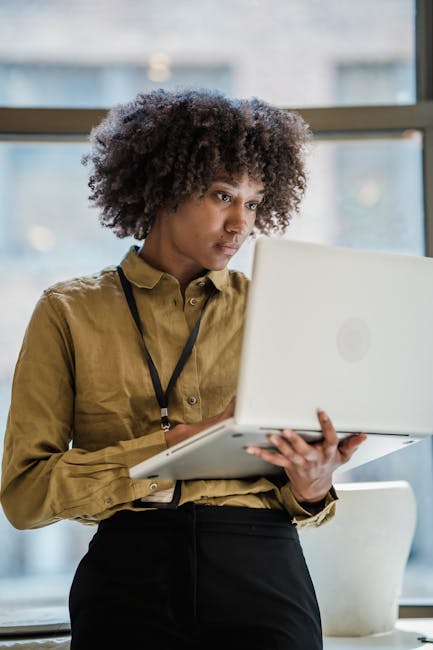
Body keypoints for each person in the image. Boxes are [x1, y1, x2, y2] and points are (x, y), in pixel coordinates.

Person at [1, 88, 366, 649]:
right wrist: (178, 442)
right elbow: (25, 496)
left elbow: (304, 490)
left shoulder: (280, 308)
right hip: (128, 574)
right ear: (166, 185)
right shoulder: (66, 311)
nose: (241, 222)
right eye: (224, 195)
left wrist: (314, 486)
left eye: (254, 202)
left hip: (261, 569)